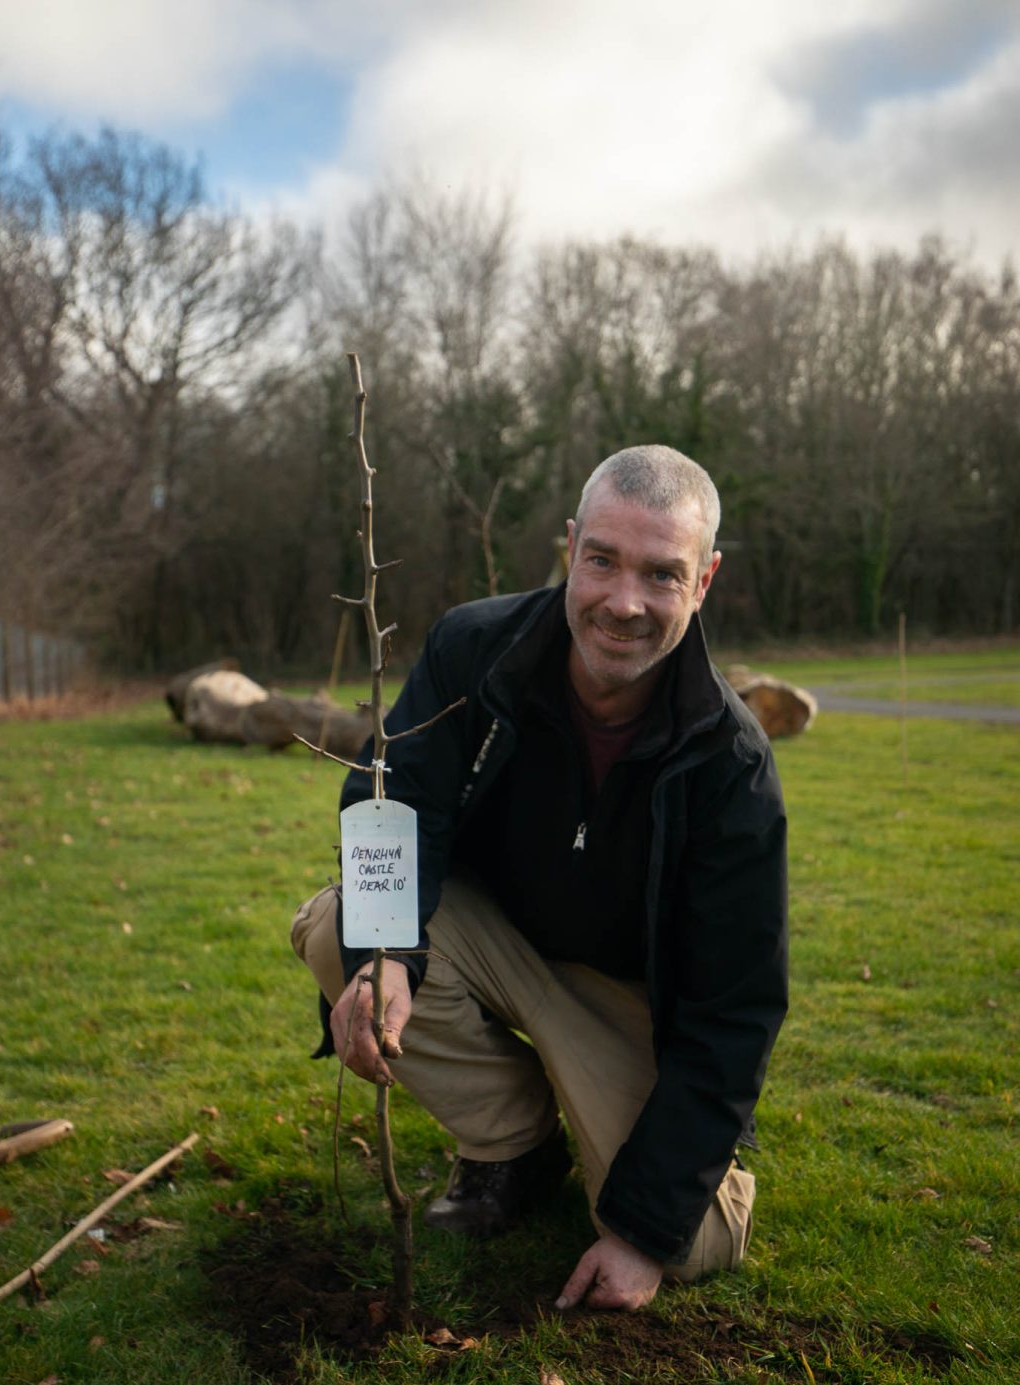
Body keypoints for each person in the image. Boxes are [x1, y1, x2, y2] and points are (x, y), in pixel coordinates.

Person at [291, 445, 787, 1313]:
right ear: (570, 548)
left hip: (624, 1002)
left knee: (693, 1241)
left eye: (662, 575)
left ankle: (602, 1127)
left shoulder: (731, 763)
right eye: (602, 560)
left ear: (705, 580)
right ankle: (513, 1141)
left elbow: (734, 1010)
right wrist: (394, 956)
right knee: (349, 933)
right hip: (492, 943)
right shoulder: (473, 651)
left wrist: (639, 1235)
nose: (622, 603)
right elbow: (396, 806)